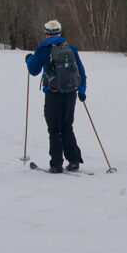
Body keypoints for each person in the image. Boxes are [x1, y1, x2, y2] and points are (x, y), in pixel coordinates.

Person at [25, 20, 87, 173]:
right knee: (67, 126)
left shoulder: (43, 49)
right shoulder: (71, 48)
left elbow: (33, 70)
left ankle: (56, 164)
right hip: (70, 93)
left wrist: (28, 59)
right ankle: (73, 160)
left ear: (46, 33)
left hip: (53, 94)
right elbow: (81, 72)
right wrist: (82, 91)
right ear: (60, 33)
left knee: (54, 129)